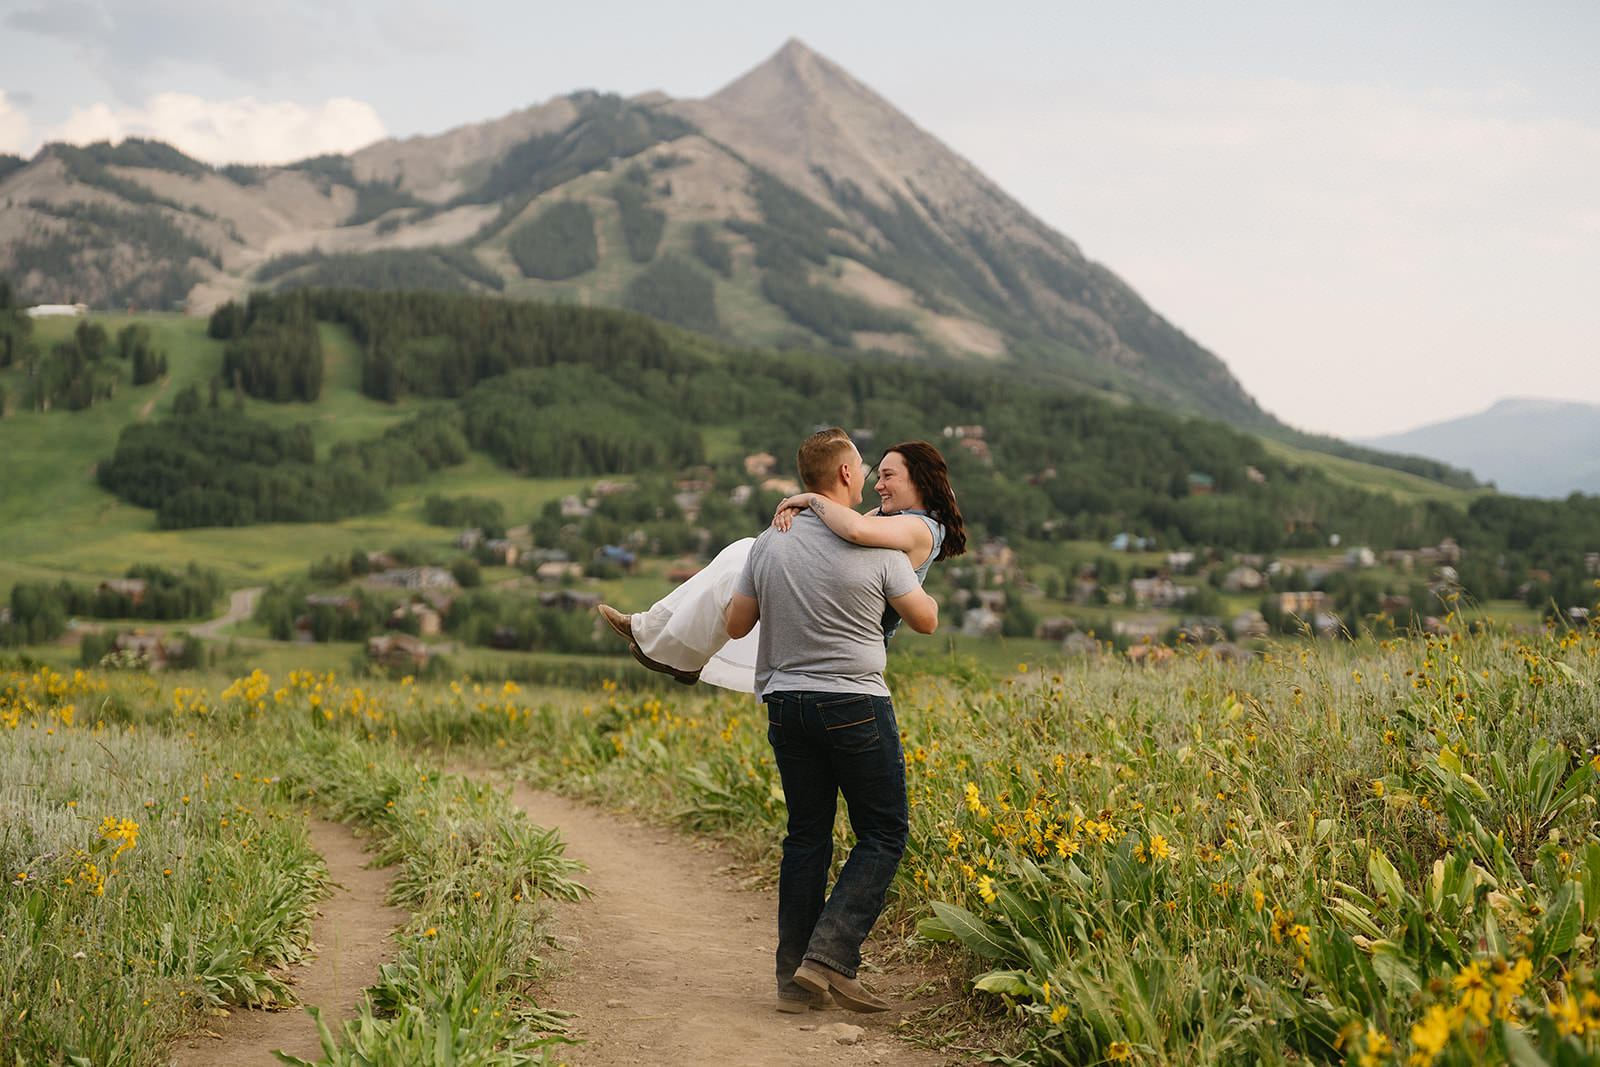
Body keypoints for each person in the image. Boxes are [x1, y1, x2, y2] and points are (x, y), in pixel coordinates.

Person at [724, 427, 939, 1014]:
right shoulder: (881, 546)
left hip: (786, 705)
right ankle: (828, 956)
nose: (868, 475)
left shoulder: (768, 542)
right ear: (844, 474)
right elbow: (924, 621)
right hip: (854, 704)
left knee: (806, 836)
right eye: (863, 466)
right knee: (884, 832)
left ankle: (793, 982)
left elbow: (737, 625)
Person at [596, 439, 966, 691]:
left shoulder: (922, 527)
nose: (877, 486)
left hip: (845, 637)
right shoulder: (893, 520)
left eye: (887, 476)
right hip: (826, 617)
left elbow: (853, 529)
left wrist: (808, 498)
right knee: (746, 553)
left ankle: (674, 649)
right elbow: (841, 527)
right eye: (877, 475)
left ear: (918, 480)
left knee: (746, 556)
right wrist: (804, 514)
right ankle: (657, 634)